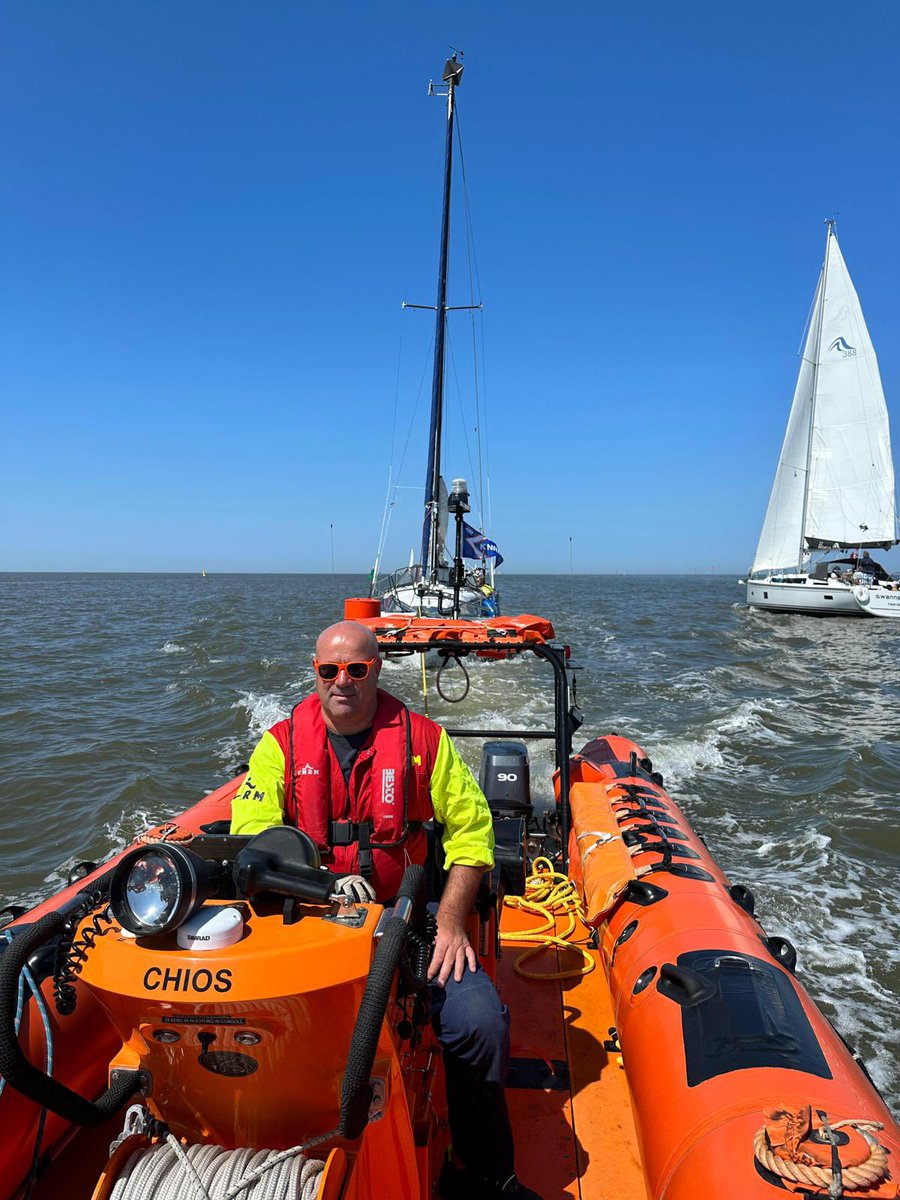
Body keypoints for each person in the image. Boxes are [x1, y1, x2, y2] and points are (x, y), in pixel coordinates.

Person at [231, 620, 541, 1200]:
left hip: (411, 921)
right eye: (330, 670)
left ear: (377, 670)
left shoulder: (423, 740)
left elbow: (472, 832)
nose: (342, 681)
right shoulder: (279, 745)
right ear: (315, 673)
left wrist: (449, 921)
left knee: (479, 1024)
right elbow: (253, 833)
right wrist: (314, 884)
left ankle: (480, 1169)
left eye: (357, 669)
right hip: (310, 922)